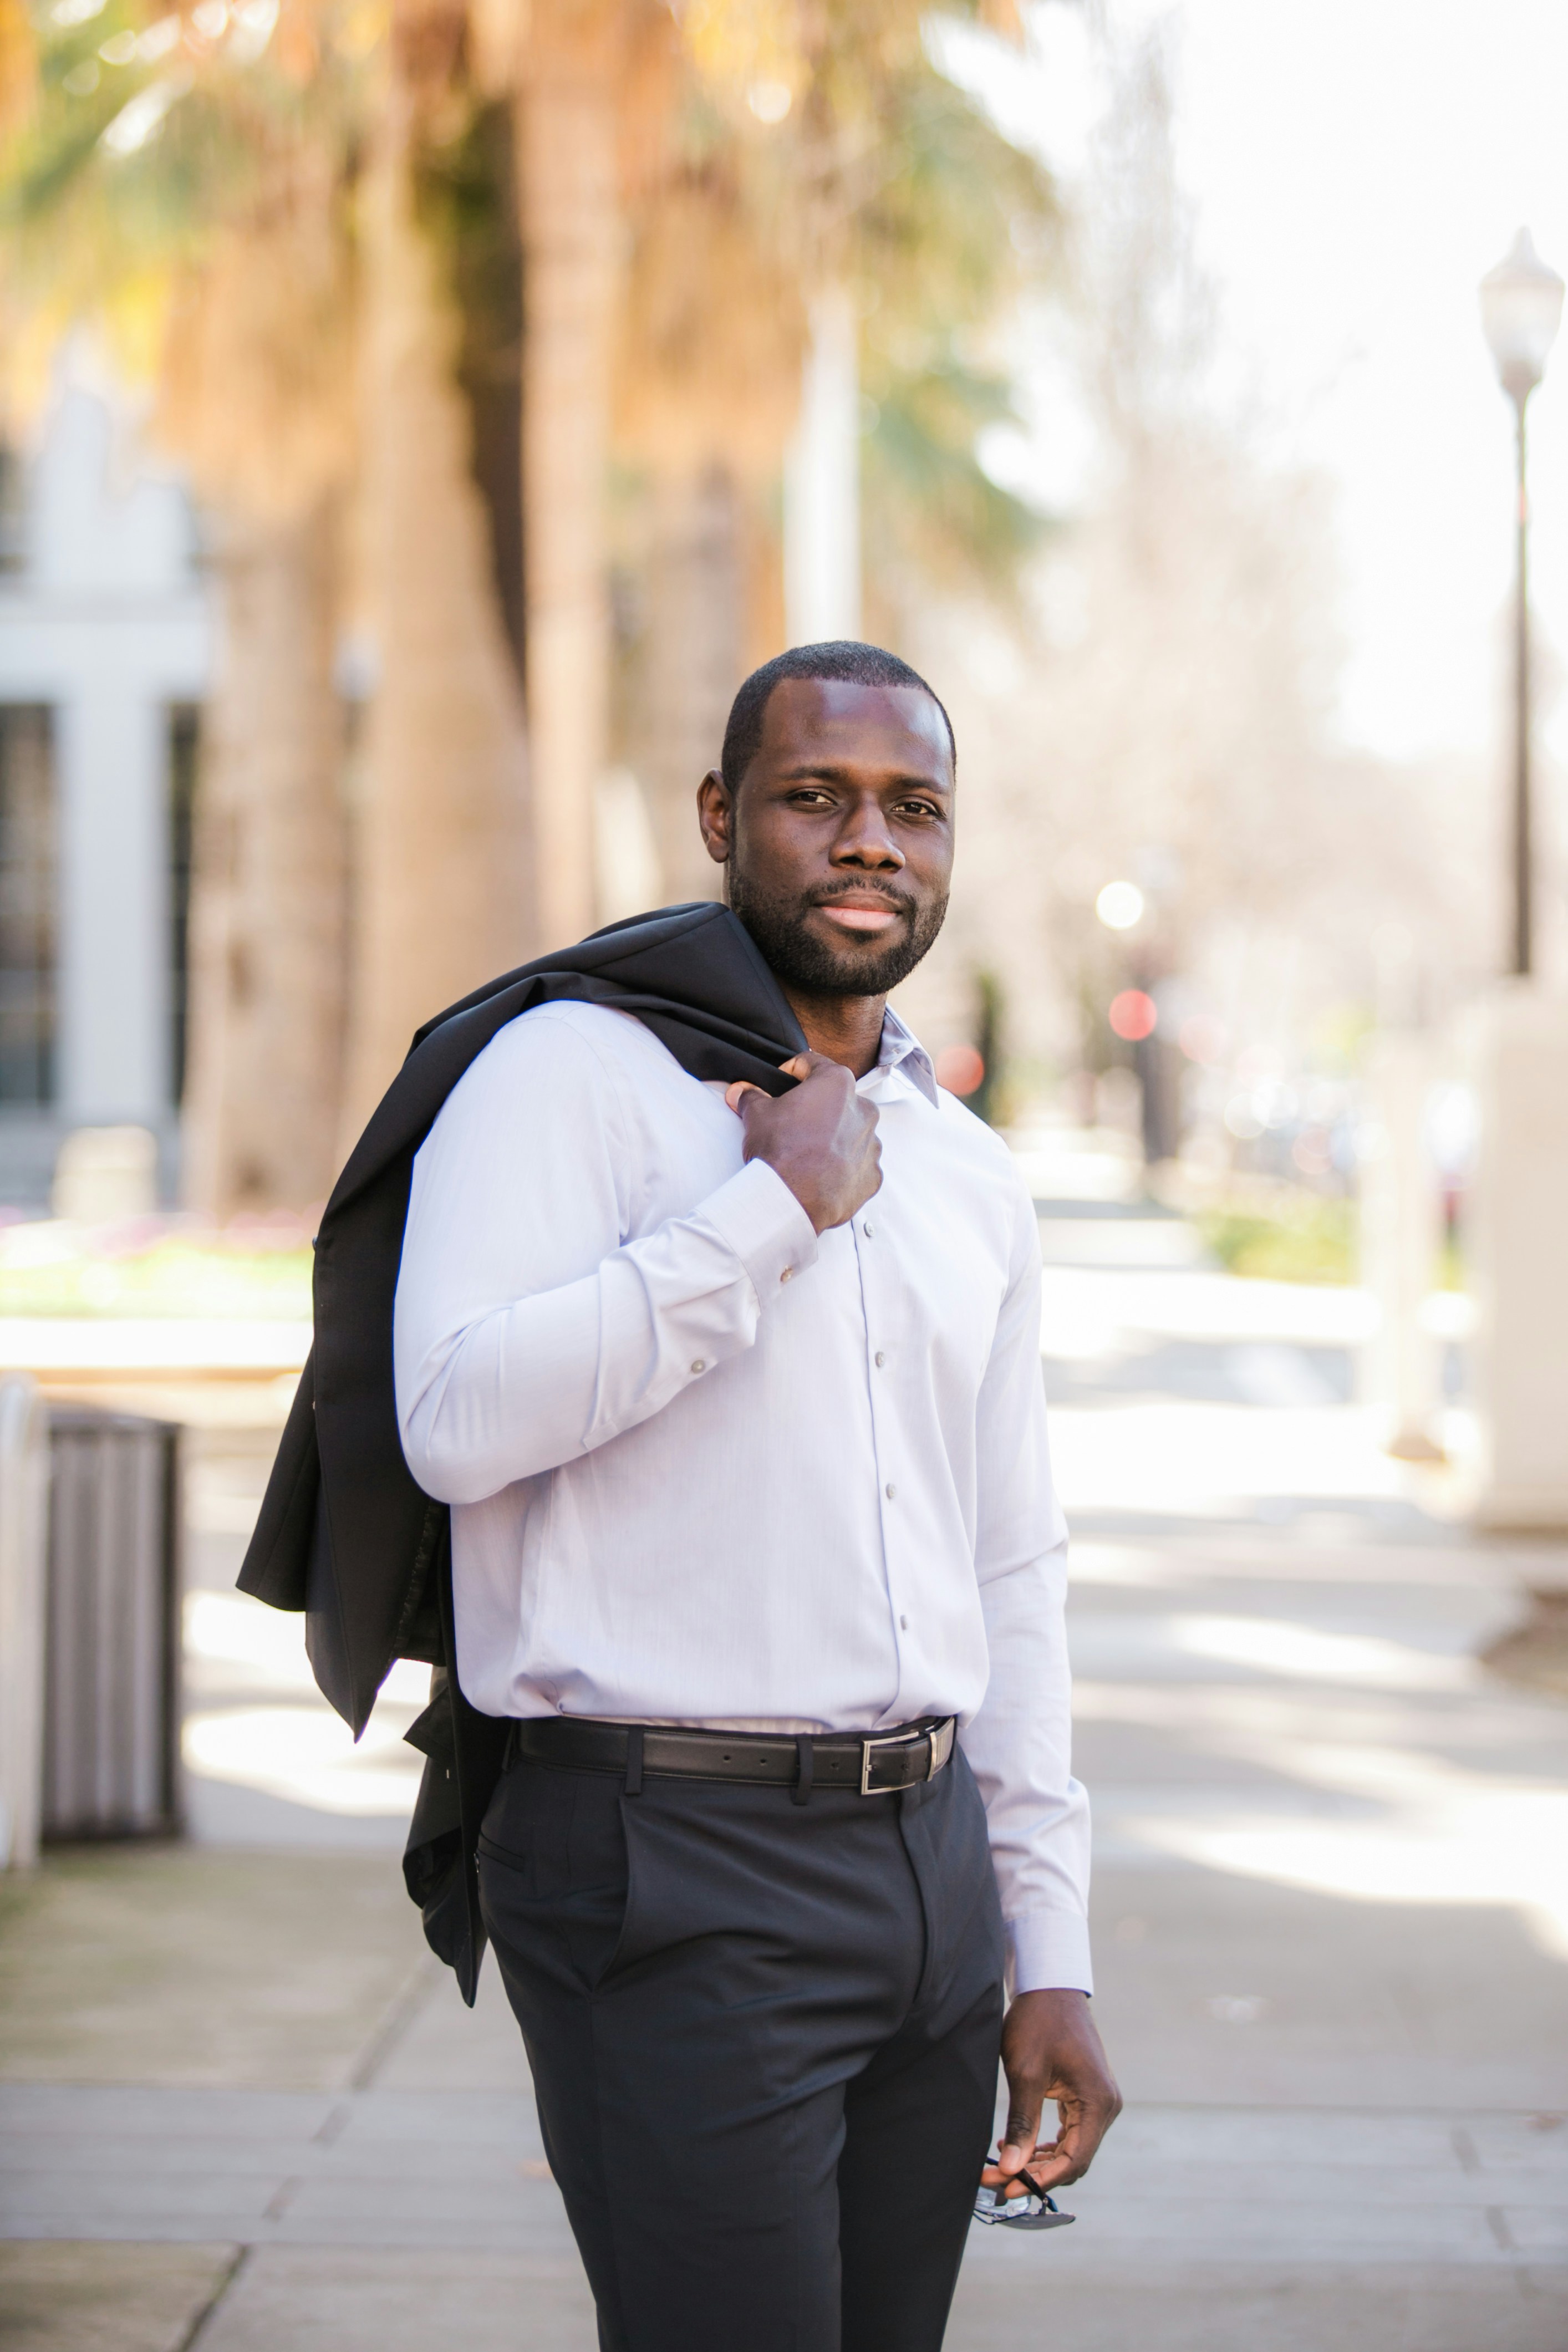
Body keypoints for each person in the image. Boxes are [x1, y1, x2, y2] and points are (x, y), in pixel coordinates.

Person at [390, 640, 1120, 2352]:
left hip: (930, 1875)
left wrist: (1046, 1939)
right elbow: (452, 1419)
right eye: (818, 796)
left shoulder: (964, 1166)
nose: (872, 839)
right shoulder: (563, 1076)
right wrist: (766, 1216)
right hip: (666, 1855)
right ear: (721, 819)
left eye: (914, 806)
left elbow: (1006, 1558)